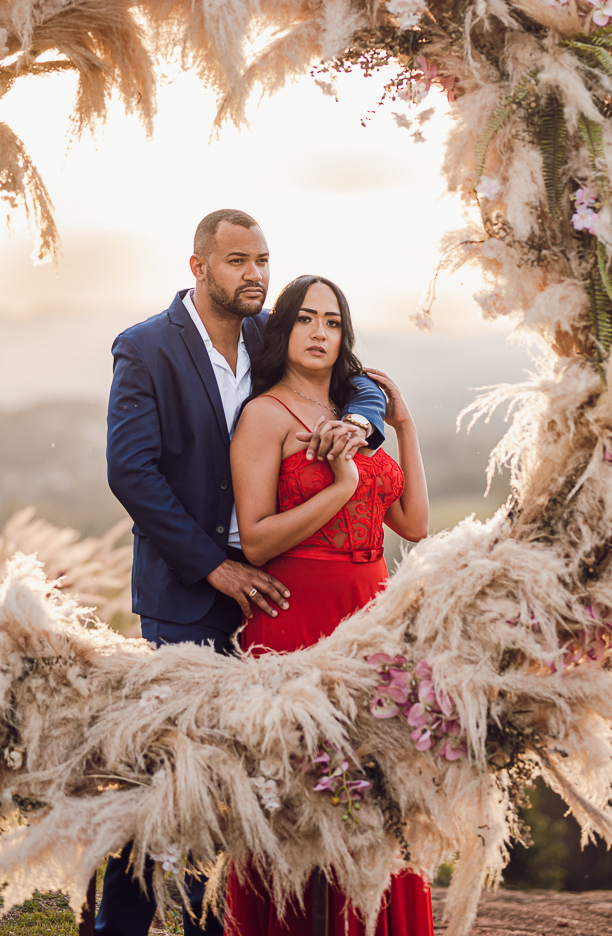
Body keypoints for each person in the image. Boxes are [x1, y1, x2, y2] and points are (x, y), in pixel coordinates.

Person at [96, 211, 387, 936]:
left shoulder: (271, 335)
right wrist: (214, 568)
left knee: (254, 775)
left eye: (261, 259)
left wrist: (365, 424)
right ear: (197, 267)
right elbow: (130, 472)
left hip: (278, 593)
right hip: (189, 594)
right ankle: (121, 924)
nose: (253, 273)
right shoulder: (146, 348)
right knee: (177, 773)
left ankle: (230, 921)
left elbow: (358, 381)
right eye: (235, 261)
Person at [225, 274, 433, 936]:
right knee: (297, 803)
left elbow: (413, 522)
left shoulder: (356, 416)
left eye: (333, 322)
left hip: (371, 619)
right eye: (306, 319)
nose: (319, 333)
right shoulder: (264, 416)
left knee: (378, 799)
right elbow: (254, 540)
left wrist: (401, 425)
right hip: (297, 624)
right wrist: (341, 486)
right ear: (282, 331)